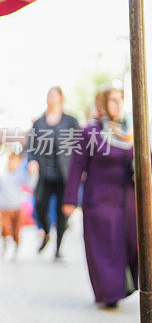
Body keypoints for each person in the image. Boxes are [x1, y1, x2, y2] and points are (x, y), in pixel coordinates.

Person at [62, 87, 138, 309]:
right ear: (102, 104)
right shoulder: (90, 132)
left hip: (128, 200)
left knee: (134, 244)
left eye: (119, 100)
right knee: (106, 248)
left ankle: (127, 284)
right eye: (112, 101)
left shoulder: (132, 131)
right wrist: (70, 199)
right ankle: (110, 293)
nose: (116, 105)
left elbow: (146, 159)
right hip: (100, 201)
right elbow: (77, 166)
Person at [26, 86, 80, 259]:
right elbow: (31, 146)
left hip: (65, 174)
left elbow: (81, 145)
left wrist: (81, 169)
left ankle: (58, 248)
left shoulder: (71, 121)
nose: (52, 98)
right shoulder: (39, 122)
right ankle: (47, 232)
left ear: (61, 98)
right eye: (49, 95)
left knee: (61, 211)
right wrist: (32, 160)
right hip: (44, 174)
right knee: (40, 206)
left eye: (55, 95)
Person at [0, 149, 33, 260]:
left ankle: (16, 249)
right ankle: (4, 245)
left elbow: (30, 184)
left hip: (16, 207)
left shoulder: (20, 175)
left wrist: (32, 174)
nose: (13, 163)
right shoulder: (2, 175)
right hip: (4, 208)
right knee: (5, 229)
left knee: (16, 230)